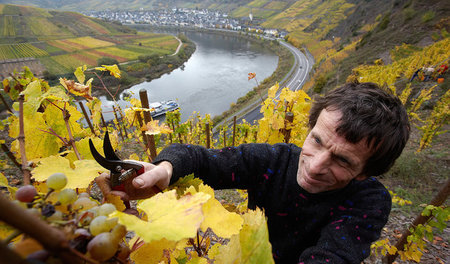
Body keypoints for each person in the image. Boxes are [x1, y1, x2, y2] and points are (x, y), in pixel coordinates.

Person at [96, 82, 410, 263]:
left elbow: (334, 258)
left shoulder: (369, 201)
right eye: (316, 140)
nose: (314, 166)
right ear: (311, 127)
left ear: (364, 173)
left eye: (342, 161)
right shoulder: (275, 160)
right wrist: (165, 168)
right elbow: (203, 159)